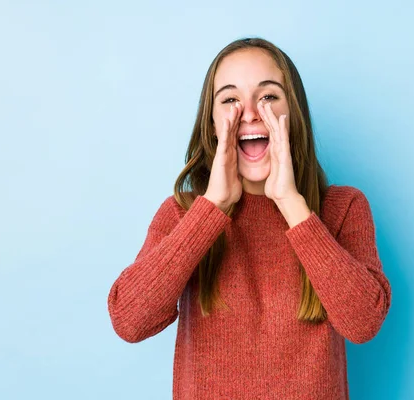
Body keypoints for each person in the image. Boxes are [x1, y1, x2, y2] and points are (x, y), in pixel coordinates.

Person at [107, 37, 392, 399]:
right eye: (230, 100)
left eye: (269, 96)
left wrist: (291, 204)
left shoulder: (343, 207)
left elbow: (364, 322)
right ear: (212, 125)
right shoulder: (183, 214)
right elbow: (130, 321)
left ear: (293, 115)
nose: (250, 113)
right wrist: (211, 208)